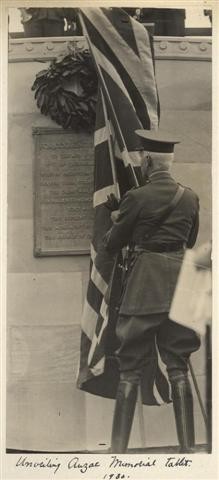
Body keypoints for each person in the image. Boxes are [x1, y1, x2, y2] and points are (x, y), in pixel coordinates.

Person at [103, 129, 201, 453]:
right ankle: (187, 453)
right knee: (178, 365)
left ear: (146, 160)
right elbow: (188, 242)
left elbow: (112, 244)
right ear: (169, 163)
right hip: (181, 285)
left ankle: (116, 454)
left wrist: (117, 217)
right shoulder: (189, 196)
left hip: (146, 285)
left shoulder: (137, 197)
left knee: (129, 367)